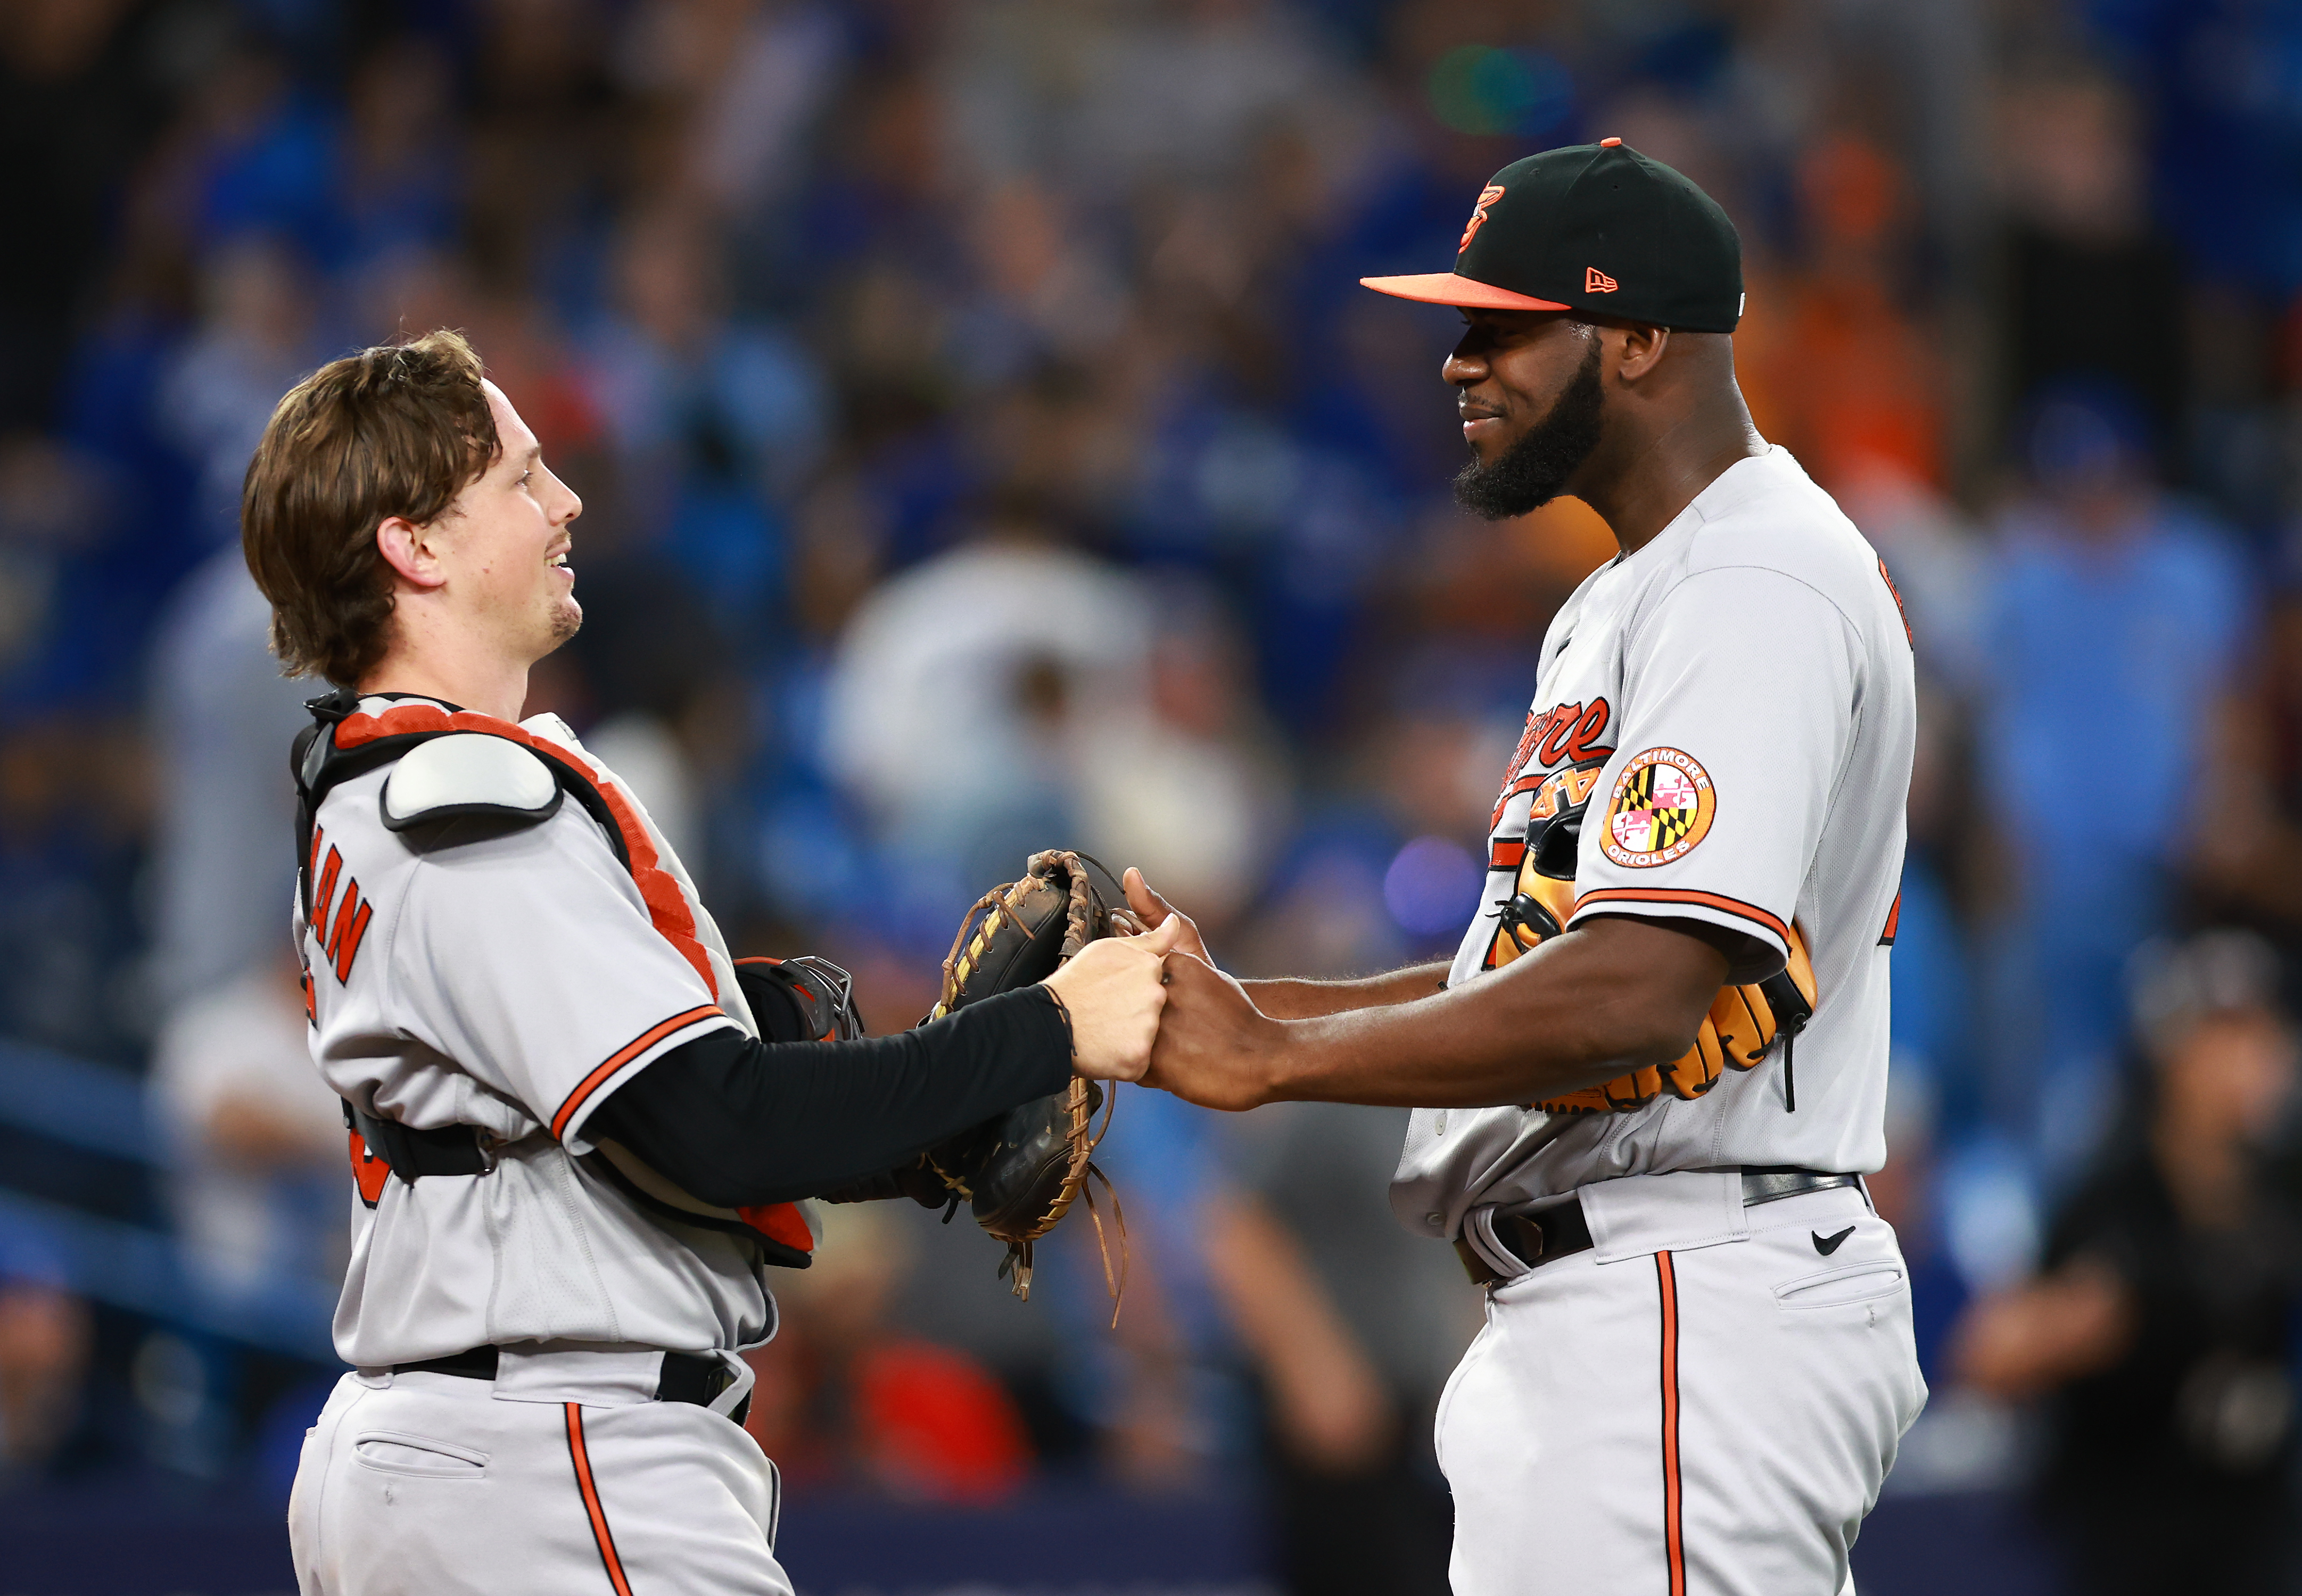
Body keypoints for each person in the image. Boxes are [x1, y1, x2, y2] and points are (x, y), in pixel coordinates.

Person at [240, 330, 1173, 1596]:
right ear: (415, 545)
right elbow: (709, 1125)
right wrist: (1050, 1028)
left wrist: (924, 1125)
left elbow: (674, 1130)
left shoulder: (405, 782)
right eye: (519, 481)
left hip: (499, 1444)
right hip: (549, 1455)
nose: (565, 502)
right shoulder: (463, 793)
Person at [1130, 141, 1925, 1593]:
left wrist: (1273, 1061)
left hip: (1684, 1289)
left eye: (1500, 324)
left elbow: (1632, 990)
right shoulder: (1631, 589)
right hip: (1617, 1307)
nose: (1456, 360)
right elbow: (1538, 968)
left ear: (1633, 339)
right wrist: (1250, 1009)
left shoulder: (1749, 578)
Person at [1952, 931, 2302, 1595]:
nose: (2249, 1061)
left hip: (2256, 1550)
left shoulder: (2281, 1197)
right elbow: (1986, 1354)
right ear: (2169, 1049)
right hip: (2125, 1553)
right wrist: (2078, 1324)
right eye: (2223, 1035)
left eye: (2264, 1034)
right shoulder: (2113, 1205)